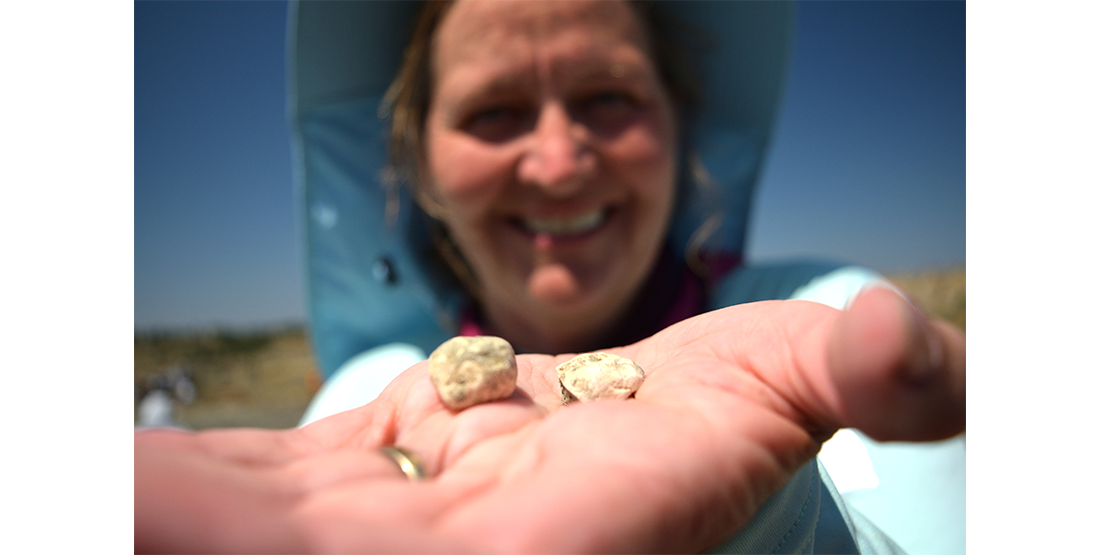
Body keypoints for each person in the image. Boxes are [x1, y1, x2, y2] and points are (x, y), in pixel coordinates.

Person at [135, 0, 966, 553]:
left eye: (607, 96)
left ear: (682, 130)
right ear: (418, 165)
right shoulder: (372, 393)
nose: (560, 162)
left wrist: (771, 517)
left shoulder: (819, 320)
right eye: (494, 111)